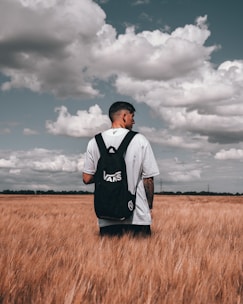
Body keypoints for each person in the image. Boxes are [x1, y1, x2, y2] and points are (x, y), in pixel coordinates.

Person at [82, 101, 159, 237]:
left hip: (107, 216)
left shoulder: (94, 142)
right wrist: (149, 206)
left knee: (108, 258)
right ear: (124, 116)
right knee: (140, 258)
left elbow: (87, 178)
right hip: (137, 216)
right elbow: (148, 179)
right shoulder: (140, 140)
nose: (133, 121)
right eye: (132, 116)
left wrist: (107, 175)